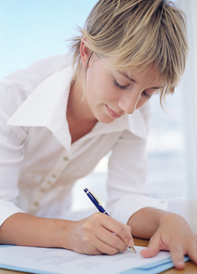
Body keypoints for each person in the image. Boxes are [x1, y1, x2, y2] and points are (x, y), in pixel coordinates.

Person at [0, 0, 196, 270]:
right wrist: (67, 233)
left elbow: (126, 197)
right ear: (86, 51)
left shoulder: (135, 111)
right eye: (121, 82)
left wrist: (168, 220)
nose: (129, 106)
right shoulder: (12, 98)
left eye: (148, 93)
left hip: (51, 253)